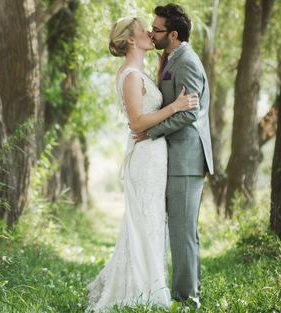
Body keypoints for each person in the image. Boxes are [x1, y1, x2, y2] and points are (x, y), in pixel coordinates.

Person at [86, 16, 200, 312]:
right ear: (131, 40)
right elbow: (136, 121)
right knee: (147, 219)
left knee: (151, 220)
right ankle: (141, 288)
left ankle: (149, 284)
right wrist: (175, 106)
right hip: (146, 155)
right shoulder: (131, 75)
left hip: (154, 154)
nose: (150, 33)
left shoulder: (140, 71)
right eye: (143, 31)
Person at [135, 3, 215, 309]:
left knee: (183, 233)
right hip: (176, 156)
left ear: (174, 34)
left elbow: (189, 112)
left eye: (157, 29)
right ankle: (185, 292)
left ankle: (187, 299)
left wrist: (150, 132)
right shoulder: (171, 58)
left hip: (187, 158)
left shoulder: (188, 62)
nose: (152, 33)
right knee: (179, 231)